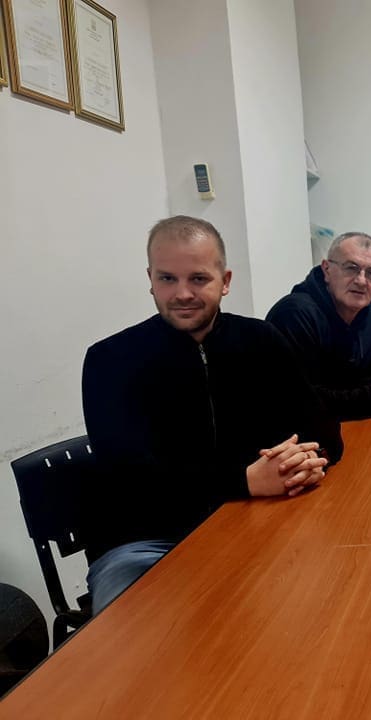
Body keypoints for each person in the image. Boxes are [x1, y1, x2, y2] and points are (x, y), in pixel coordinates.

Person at [82, 216, 343, 615]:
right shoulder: (109, 361)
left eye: (199, 278)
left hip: (256, 519)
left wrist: (306, 461)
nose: (182, 293)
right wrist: (244, 480)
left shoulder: (262, 340)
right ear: (150, 280)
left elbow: (322, 428)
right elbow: (133, 480)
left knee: (326, 600)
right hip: (146, 544)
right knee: (142, 641)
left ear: (225, 281)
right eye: (167, 279)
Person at [267, 231, 371, 420]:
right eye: (351, 268)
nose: (361, 281)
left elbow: (357, 384)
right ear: (327, 270)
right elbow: (303, 403)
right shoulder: (294, 314)